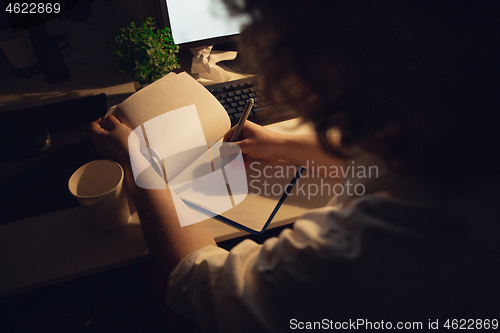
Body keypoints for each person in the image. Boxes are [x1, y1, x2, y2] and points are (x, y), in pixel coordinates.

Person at [90, 1, 500, 332]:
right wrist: (282, 145)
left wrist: (139, 162)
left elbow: (200, 284)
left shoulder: (367, 251)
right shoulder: (459, 114)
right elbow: (393, 150)